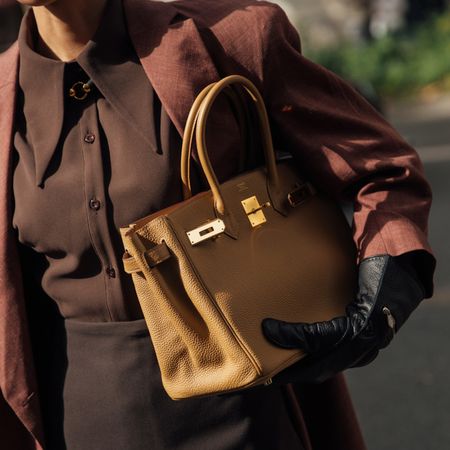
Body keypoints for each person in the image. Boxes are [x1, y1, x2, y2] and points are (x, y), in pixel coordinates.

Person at [0, 0, 435, 449]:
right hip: (73, 425)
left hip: (243, 414)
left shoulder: (229, 39)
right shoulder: (4, 97)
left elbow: (381, 169)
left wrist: (376, 307)